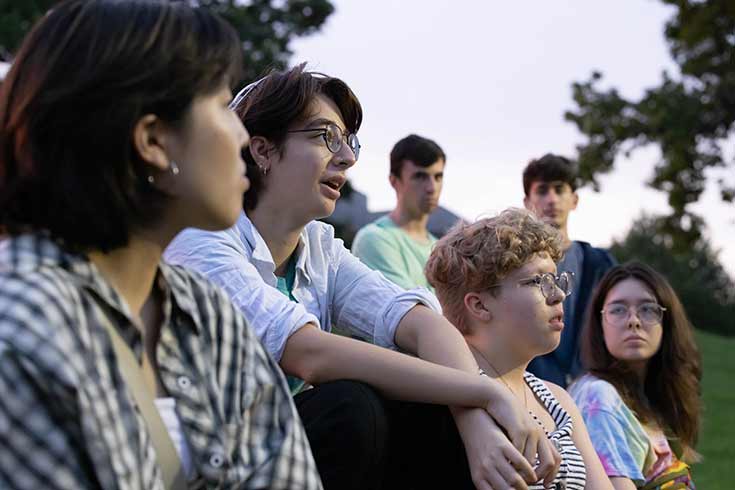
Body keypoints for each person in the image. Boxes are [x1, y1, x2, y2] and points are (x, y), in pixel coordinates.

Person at [165, 65, 560, 490]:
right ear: (261, 150)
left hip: (268, 460)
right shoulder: (200, 241)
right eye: (324, 137)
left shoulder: (319, 247)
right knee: (351, 406)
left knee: (433, 409)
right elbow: (308, 352)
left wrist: (474, 421)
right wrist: (485, 393)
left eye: (348, 142)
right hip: (200, 467)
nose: (348, 157)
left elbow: (421, 322)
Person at [0, 1, 322, 488]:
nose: (243, 136)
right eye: (221, 105)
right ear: (153, 141)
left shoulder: (207, 314)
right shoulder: (22, 330)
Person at [426, 208, 614, 490]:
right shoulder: (450, 393)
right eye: (540, 281)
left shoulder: (557, 399)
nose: (559, 294)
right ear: (480, 305)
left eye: (557, 280)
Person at [570, 262, 701, 489]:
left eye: (648, 309)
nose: (634, 321)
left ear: (666, 323)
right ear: (600, 324)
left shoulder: (651, 398)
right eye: (618, 310)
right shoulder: (599, 398)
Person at [523, 154, 616, 387]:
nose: (552, 199)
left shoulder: (600, 265)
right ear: (527, 202)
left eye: (559, 189)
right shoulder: (514, 265)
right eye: (542, 191)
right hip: (530, 387)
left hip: (590, 389)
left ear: (574, 199)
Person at [352, 134, 445, 290]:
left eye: (438, 177)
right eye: (420, 176)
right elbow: (409, 310)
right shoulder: (374, 239)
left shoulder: (441, 249)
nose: (432, 188)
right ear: (394, 181)